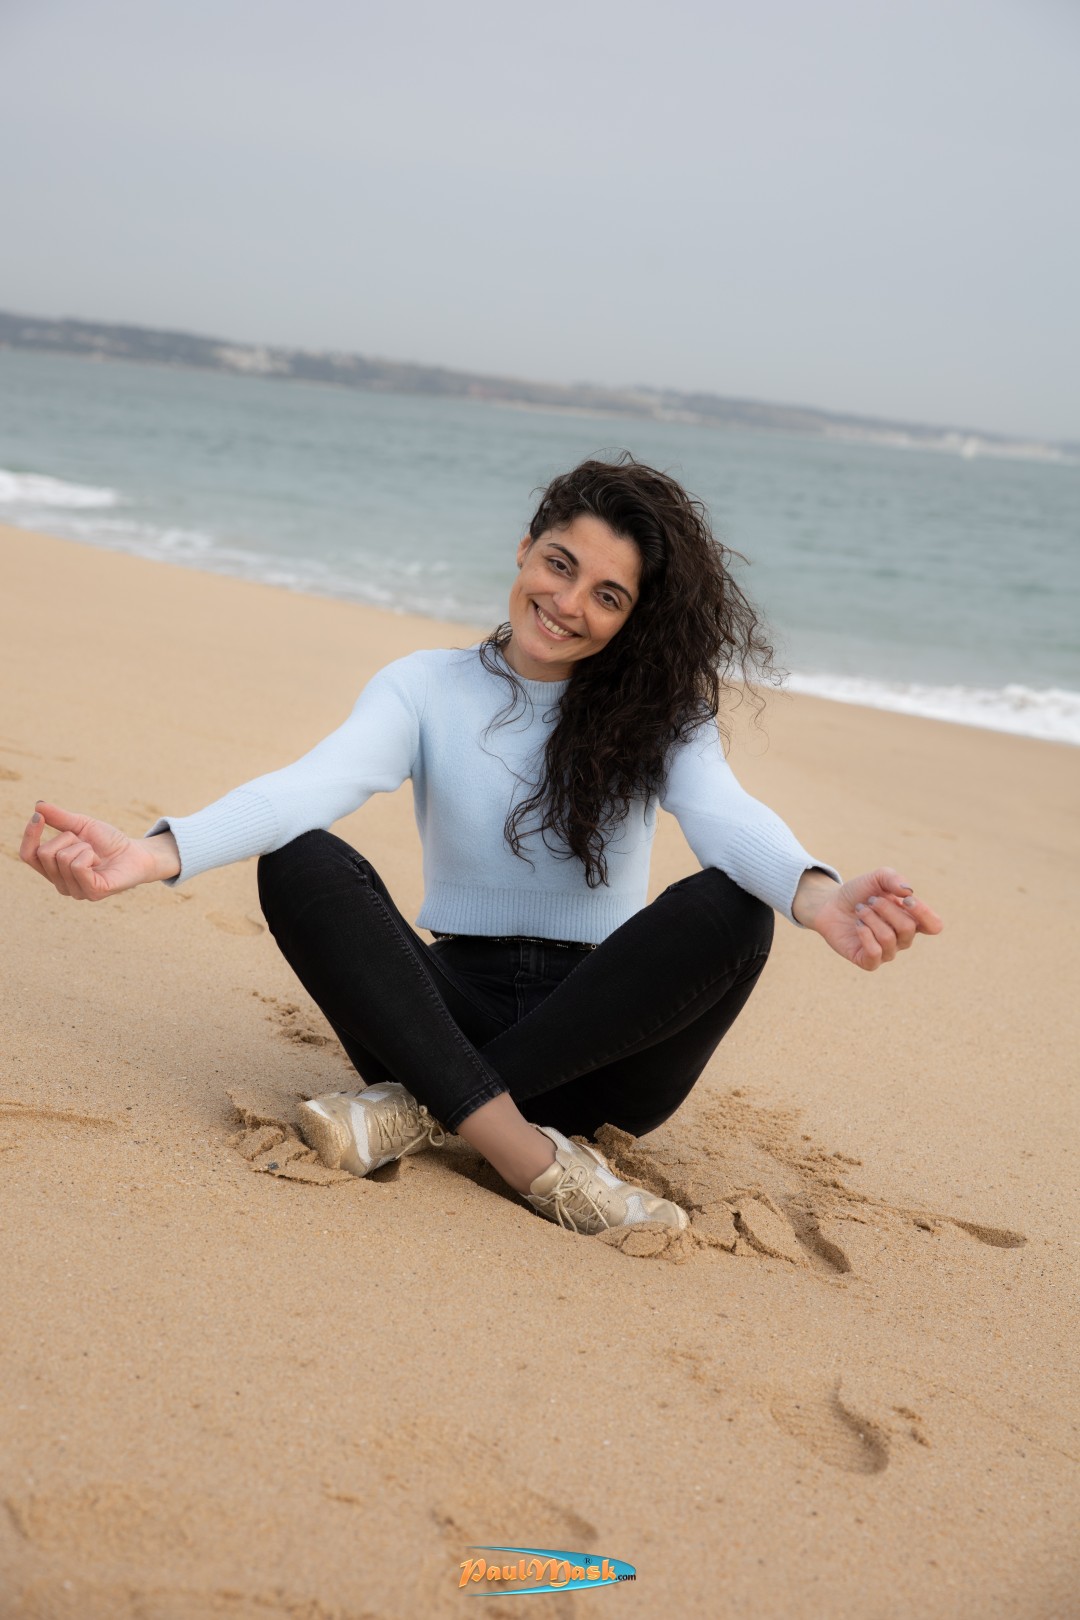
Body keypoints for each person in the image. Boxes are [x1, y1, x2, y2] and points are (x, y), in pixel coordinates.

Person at [20, 454, 942, 1239]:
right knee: (301, 857)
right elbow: (312, 783)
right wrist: (156, 852)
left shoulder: (665, 714)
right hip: (437, 1021)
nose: (567, 603)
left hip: (604, 1049)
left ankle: (419, 1114)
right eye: (559, 564)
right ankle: (534, 1162)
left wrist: (816, 894)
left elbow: (724, 815)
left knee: (736, 906)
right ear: (525, 547)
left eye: (607, 596)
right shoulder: (425, 687)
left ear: (633, 617)